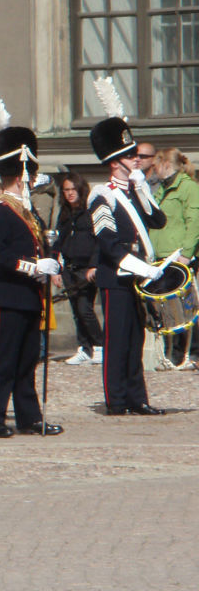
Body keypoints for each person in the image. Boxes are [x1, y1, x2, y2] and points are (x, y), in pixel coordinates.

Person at [0, 127, 64, 437]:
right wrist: (33, 267)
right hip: (9, 295)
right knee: (3, 360)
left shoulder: (28, 212)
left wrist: (52, 260)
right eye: (29, 176)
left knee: (27, 361)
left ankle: (29, 417)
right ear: (20, 176)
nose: (31, 181)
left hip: (29, 295)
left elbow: (41, 243)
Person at [88, 107, 167, 416]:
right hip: (116, 276)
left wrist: (143, 189)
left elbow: (157, 221)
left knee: (136, 338)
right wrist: (143, 267)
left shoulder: (135, 191)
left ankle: (138, 398)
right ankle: (117, 400)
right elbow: (108, 244)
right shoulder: (101, 196)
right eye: (131, 155)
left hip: (135, 276)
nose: (137, 159)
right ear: (114, 161)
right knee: (118, 340)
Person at [148, 147, 199, 365]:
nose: (153, 171)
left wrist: (187, 253)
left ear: (166, 165)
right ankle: (171, 353)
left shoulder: (188, 188)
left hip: (178, 258)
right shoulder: (162, 189)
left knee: (185, 309)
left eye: (155, 166)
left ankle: (189, 352)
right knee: (167, 310)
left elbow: (194, 221)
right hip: (162, 258)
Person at [55, 172, 103, 366]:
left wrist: (94, 264)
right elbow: (58, 241)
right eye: (66, 190)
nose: (69, 193)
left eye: (73, 189)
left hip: (86, 268)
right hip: (69, 266)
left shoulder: (91, 210)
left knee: (85, 309)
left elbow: (99, 240)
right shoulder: (65, 213)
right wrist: (55, 268)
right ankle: (84, 347)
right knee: (76, 310)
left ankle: (99, 346)